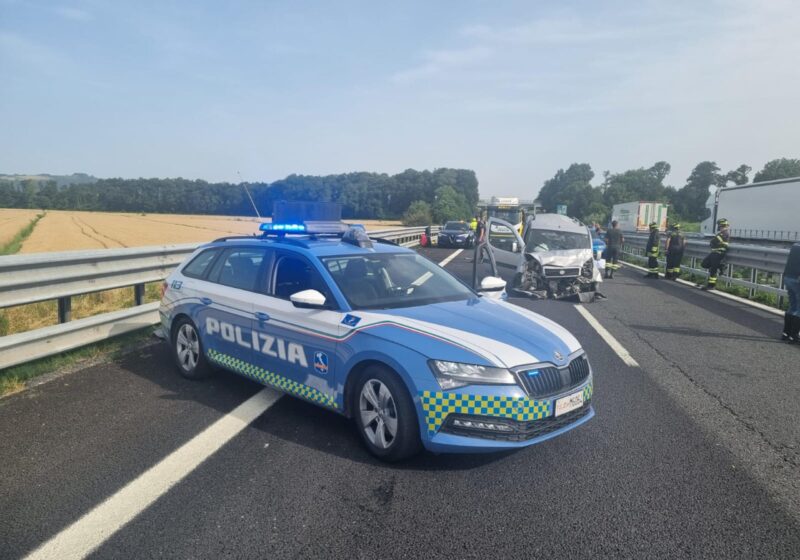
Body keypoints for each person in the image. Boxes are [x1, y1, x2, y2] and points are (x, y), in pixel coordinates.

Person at [701, 218, 730, 290]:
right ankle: (720, 266)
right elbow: (713, 242)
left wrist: (714, 242)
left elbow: (714, 242)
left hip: (719, 254)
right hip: (713, 253)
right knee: (704, 264)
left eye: (720, 225)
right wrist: (714, 242)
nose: (719, 227)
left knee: (713, 270)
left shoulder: (725, 233)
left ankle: (711, 286)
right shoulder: (720, 234)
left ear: (722, 225)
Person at [781, 241, 800, 343]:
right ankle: (794, 336)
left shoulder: (795, 245)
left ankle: (786, 333)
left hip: (788, 277)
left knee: (793, 306)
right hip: (797, 279)